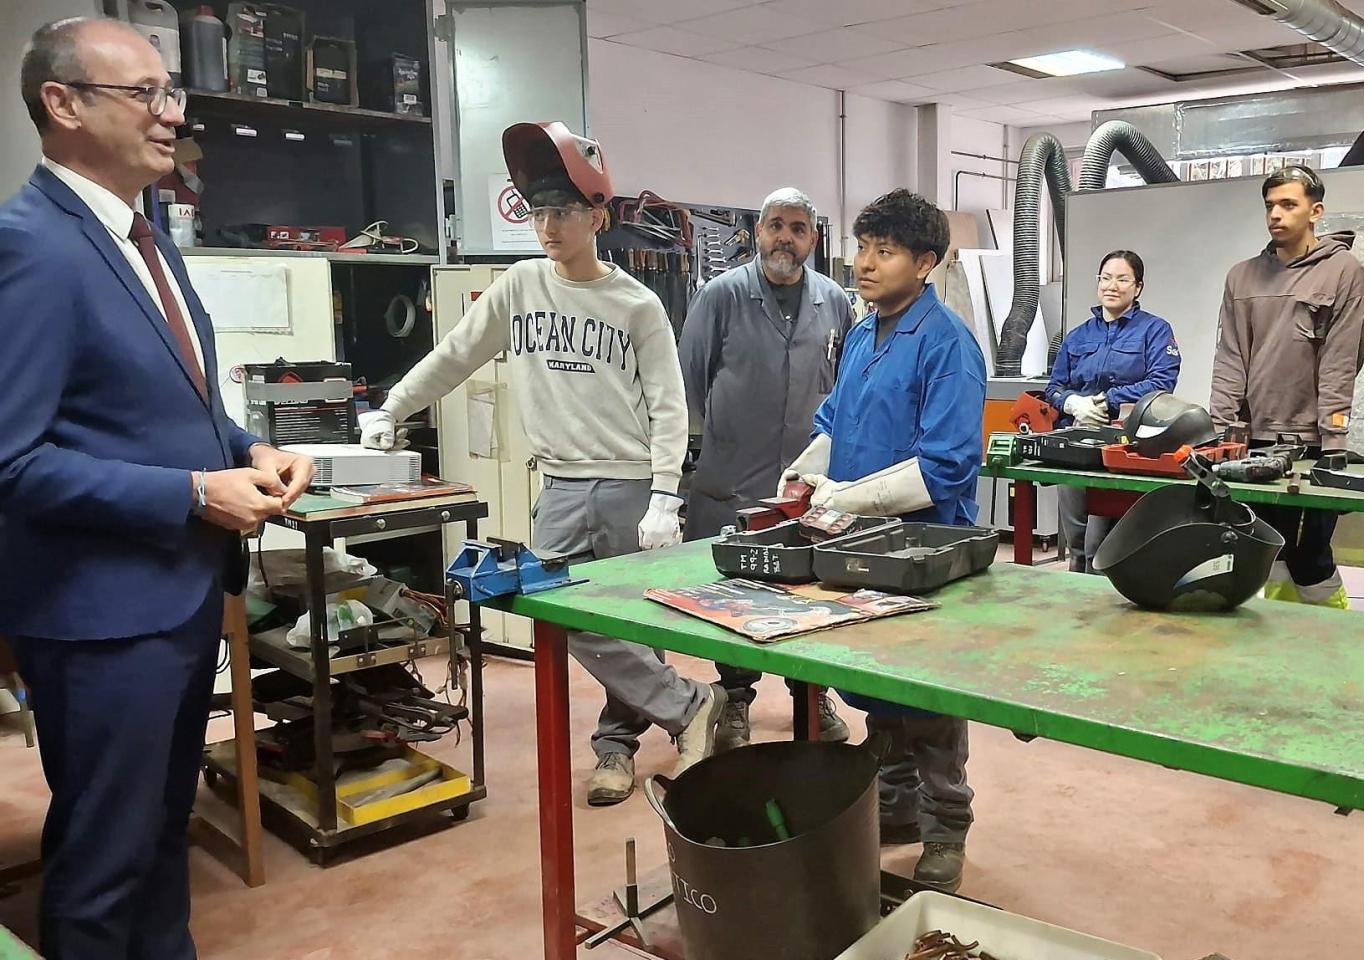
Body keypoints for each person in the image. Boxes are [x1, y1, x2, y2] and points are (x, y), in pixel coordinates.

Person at [0, 18, 314, 958]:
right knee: (104, 863)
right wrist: (188, 493)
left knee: (157, 840)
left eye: (169, 93)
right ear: (62, 104)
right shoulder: (31, 247)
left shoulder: (144, 237)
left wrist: (249, 448)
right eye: (143, 93)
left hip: (176, 602)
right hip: (101, 621)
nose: (170, 114)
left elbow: (171, 403)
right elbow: (12, 461)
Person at [359, 120, 723, 807]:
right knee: (555, 614)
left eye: (563, 211)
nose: (548, 226)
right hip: (557, 484)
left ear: (598, 216)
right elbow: (455, 356)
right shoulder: (518, 287)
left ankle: (616, 748)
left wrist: (665, 496)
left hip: (626, 484)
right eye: (538, 212)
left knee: (636, 622)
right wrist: (393, 407)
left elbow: (670, 405)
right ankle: (688, 707)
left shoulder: (636, 305)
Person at [782, 189, 986, 891]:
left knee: (928, 704)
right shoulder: (865, 331)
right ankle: (895, 808)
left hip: (925, 552)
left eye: (885, 251)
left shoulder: (948, 344)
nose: (864, 264)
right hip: (858, 546)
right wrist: (806, 470)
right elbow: (836, 422)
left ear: (926, 262)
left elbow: (946, 466)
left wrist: (846, 496)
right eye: (862, 247)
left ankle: (945, 830)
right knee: (878, 691)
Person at [678, 187, 855, 749]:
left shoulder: (835, 301)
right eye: (775, 225)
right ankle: (734, 700)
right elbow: (689, 381)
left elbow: (845, 388)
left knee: (811, 592)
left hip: (806, 483)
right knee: (735, 597)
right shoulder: (720, 295)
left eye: (797, 228)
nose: (785, 237)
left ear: (813, 238)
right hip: (733, 477)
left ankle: (813, 692)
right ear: (757, 233)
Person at [1210, 164, 1364, 609]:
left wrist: (1334, 437)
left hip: (1310, 444)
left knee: (1309, 556)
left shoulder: (1343, 272)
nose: (1275, 215)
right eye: (1269, 206)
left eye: (1288, 204)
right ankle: (1281, 641)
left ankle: (1336, 641)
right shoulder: (1242, 277)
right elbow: (1230, 357)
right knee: (1264, 548)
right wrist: (1222, 430)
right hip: (1251, 441)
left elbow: (1341, 361)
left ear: (1315, 211)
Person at [1043, 249, 1181, 572]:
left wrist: (1108, 401)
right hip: (1076, 443)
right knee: (1076, 539)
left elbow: (1162, 382)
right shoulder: (1078, 336)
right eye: (1106, 278)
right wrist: (1072, 403)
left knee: (1103, 542)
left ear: (1138, 287)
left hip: (1125, 445)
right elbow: (1054, 387)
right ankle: (1076, 592)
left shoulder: (1155, 331)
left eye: (1122, 279)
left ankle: (1105, 593)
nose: (1112, 286)